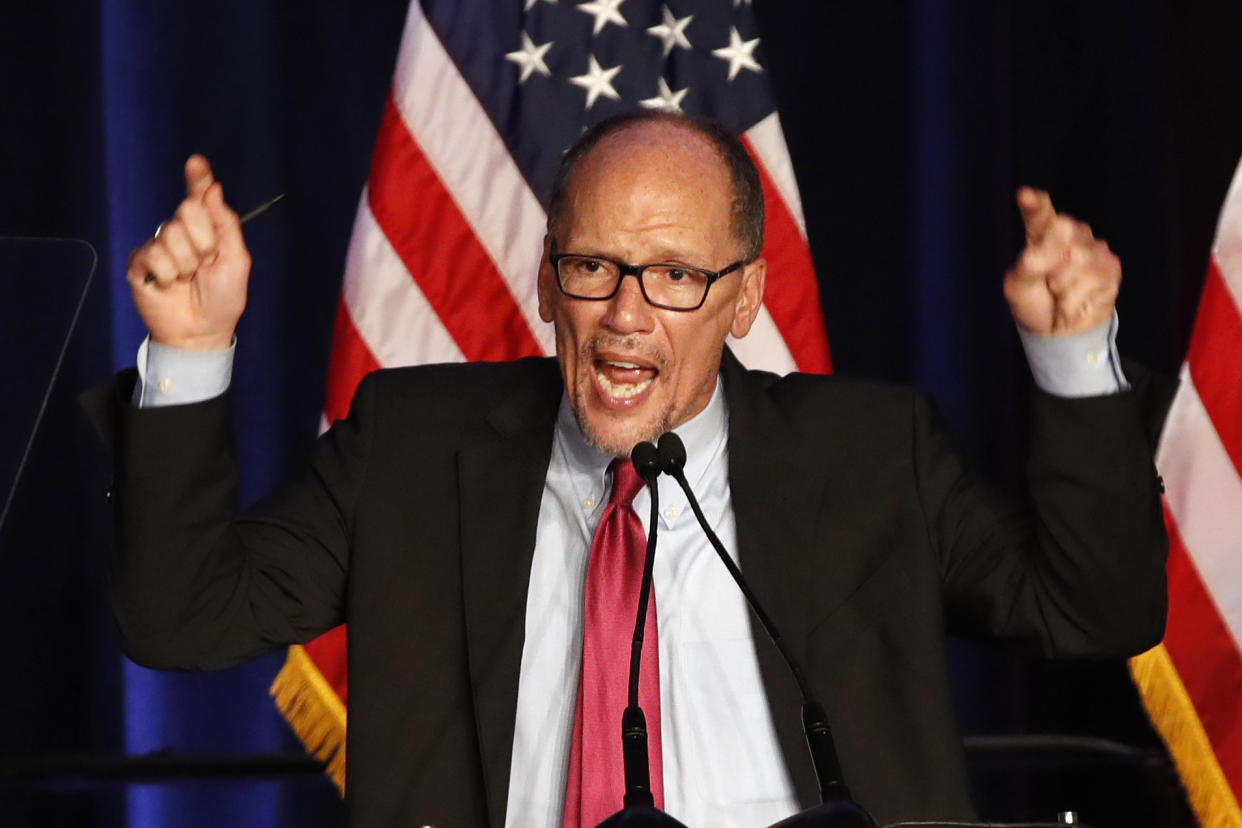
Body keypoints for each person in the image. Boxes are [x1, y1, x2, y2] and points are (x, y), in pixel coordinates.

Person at [101, 111, 1167, 827]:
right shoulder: (415, 446)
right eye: (593, 267)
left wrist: (1074, 360)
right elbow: (182, 620)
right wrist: (190, 357)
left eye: (673, 276)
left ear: (744, 299)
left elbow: (1095, 611)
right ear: (546, 280)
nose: (624, 315)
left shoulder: (870, 455)